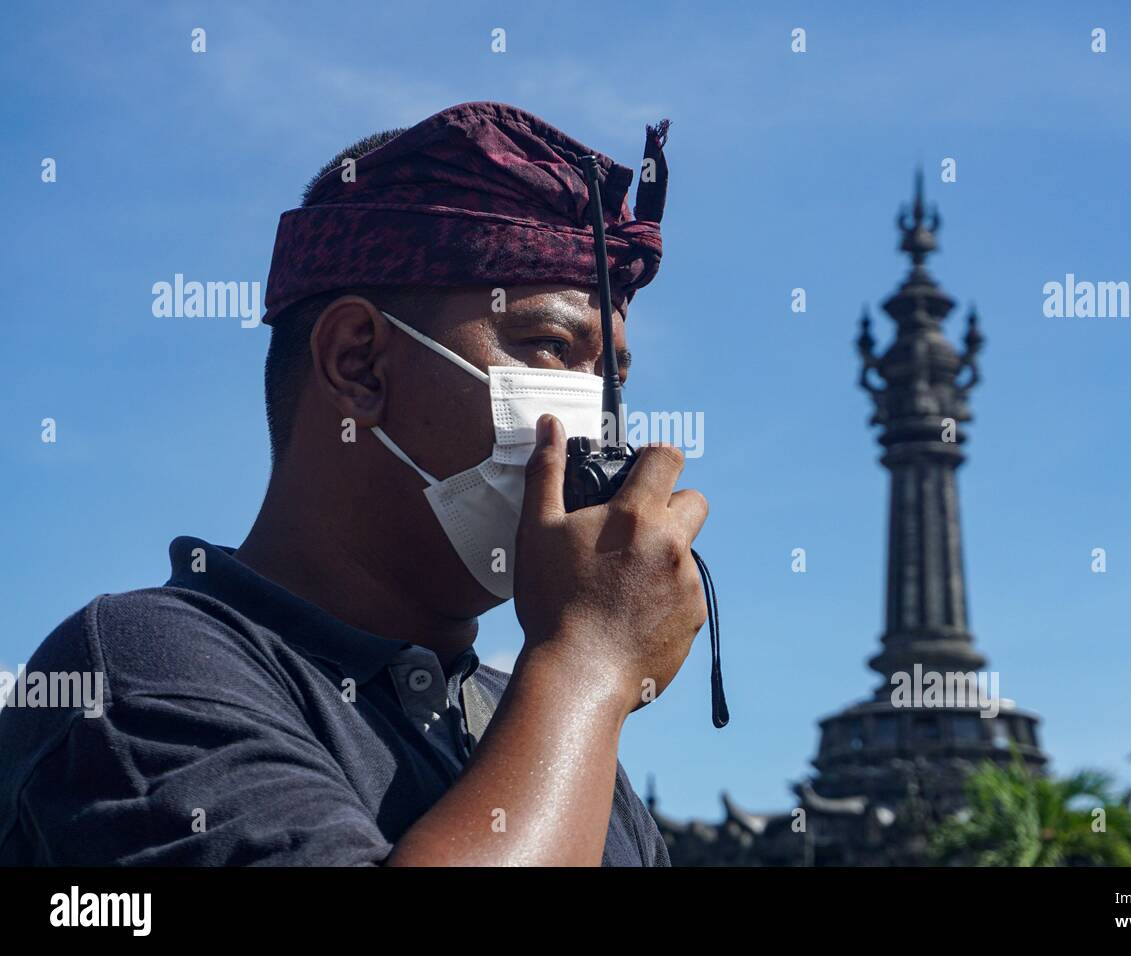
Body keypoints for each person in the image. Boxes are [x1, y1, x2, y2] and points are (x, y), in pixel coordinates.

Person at [0, 102, 707, 866]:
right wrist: (591, 665)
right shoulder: (138, 674)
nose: (601, 429)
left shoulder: (550, 733)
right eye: (551, 347)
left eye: (611, 378)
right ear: (358, 363)